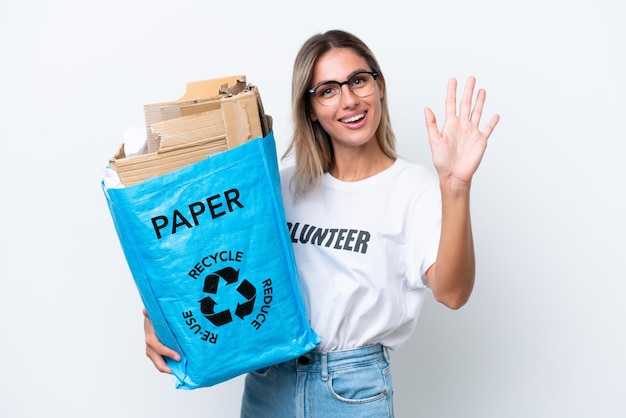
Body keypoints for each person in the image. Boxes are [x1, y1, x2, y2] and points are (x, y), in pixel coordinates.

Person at [144, 29, 499, 417]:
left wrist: (456, 185)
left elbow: (453, 292)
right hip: (268, 381)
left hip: (351, 389)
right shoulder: (282, 185)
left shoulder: (413, 189)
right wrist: (158, 318)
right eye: (328, 90)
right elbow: (207, 256)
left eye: (359, 81)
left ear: (379, 87)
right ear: (310, 107)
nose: (349, 100)